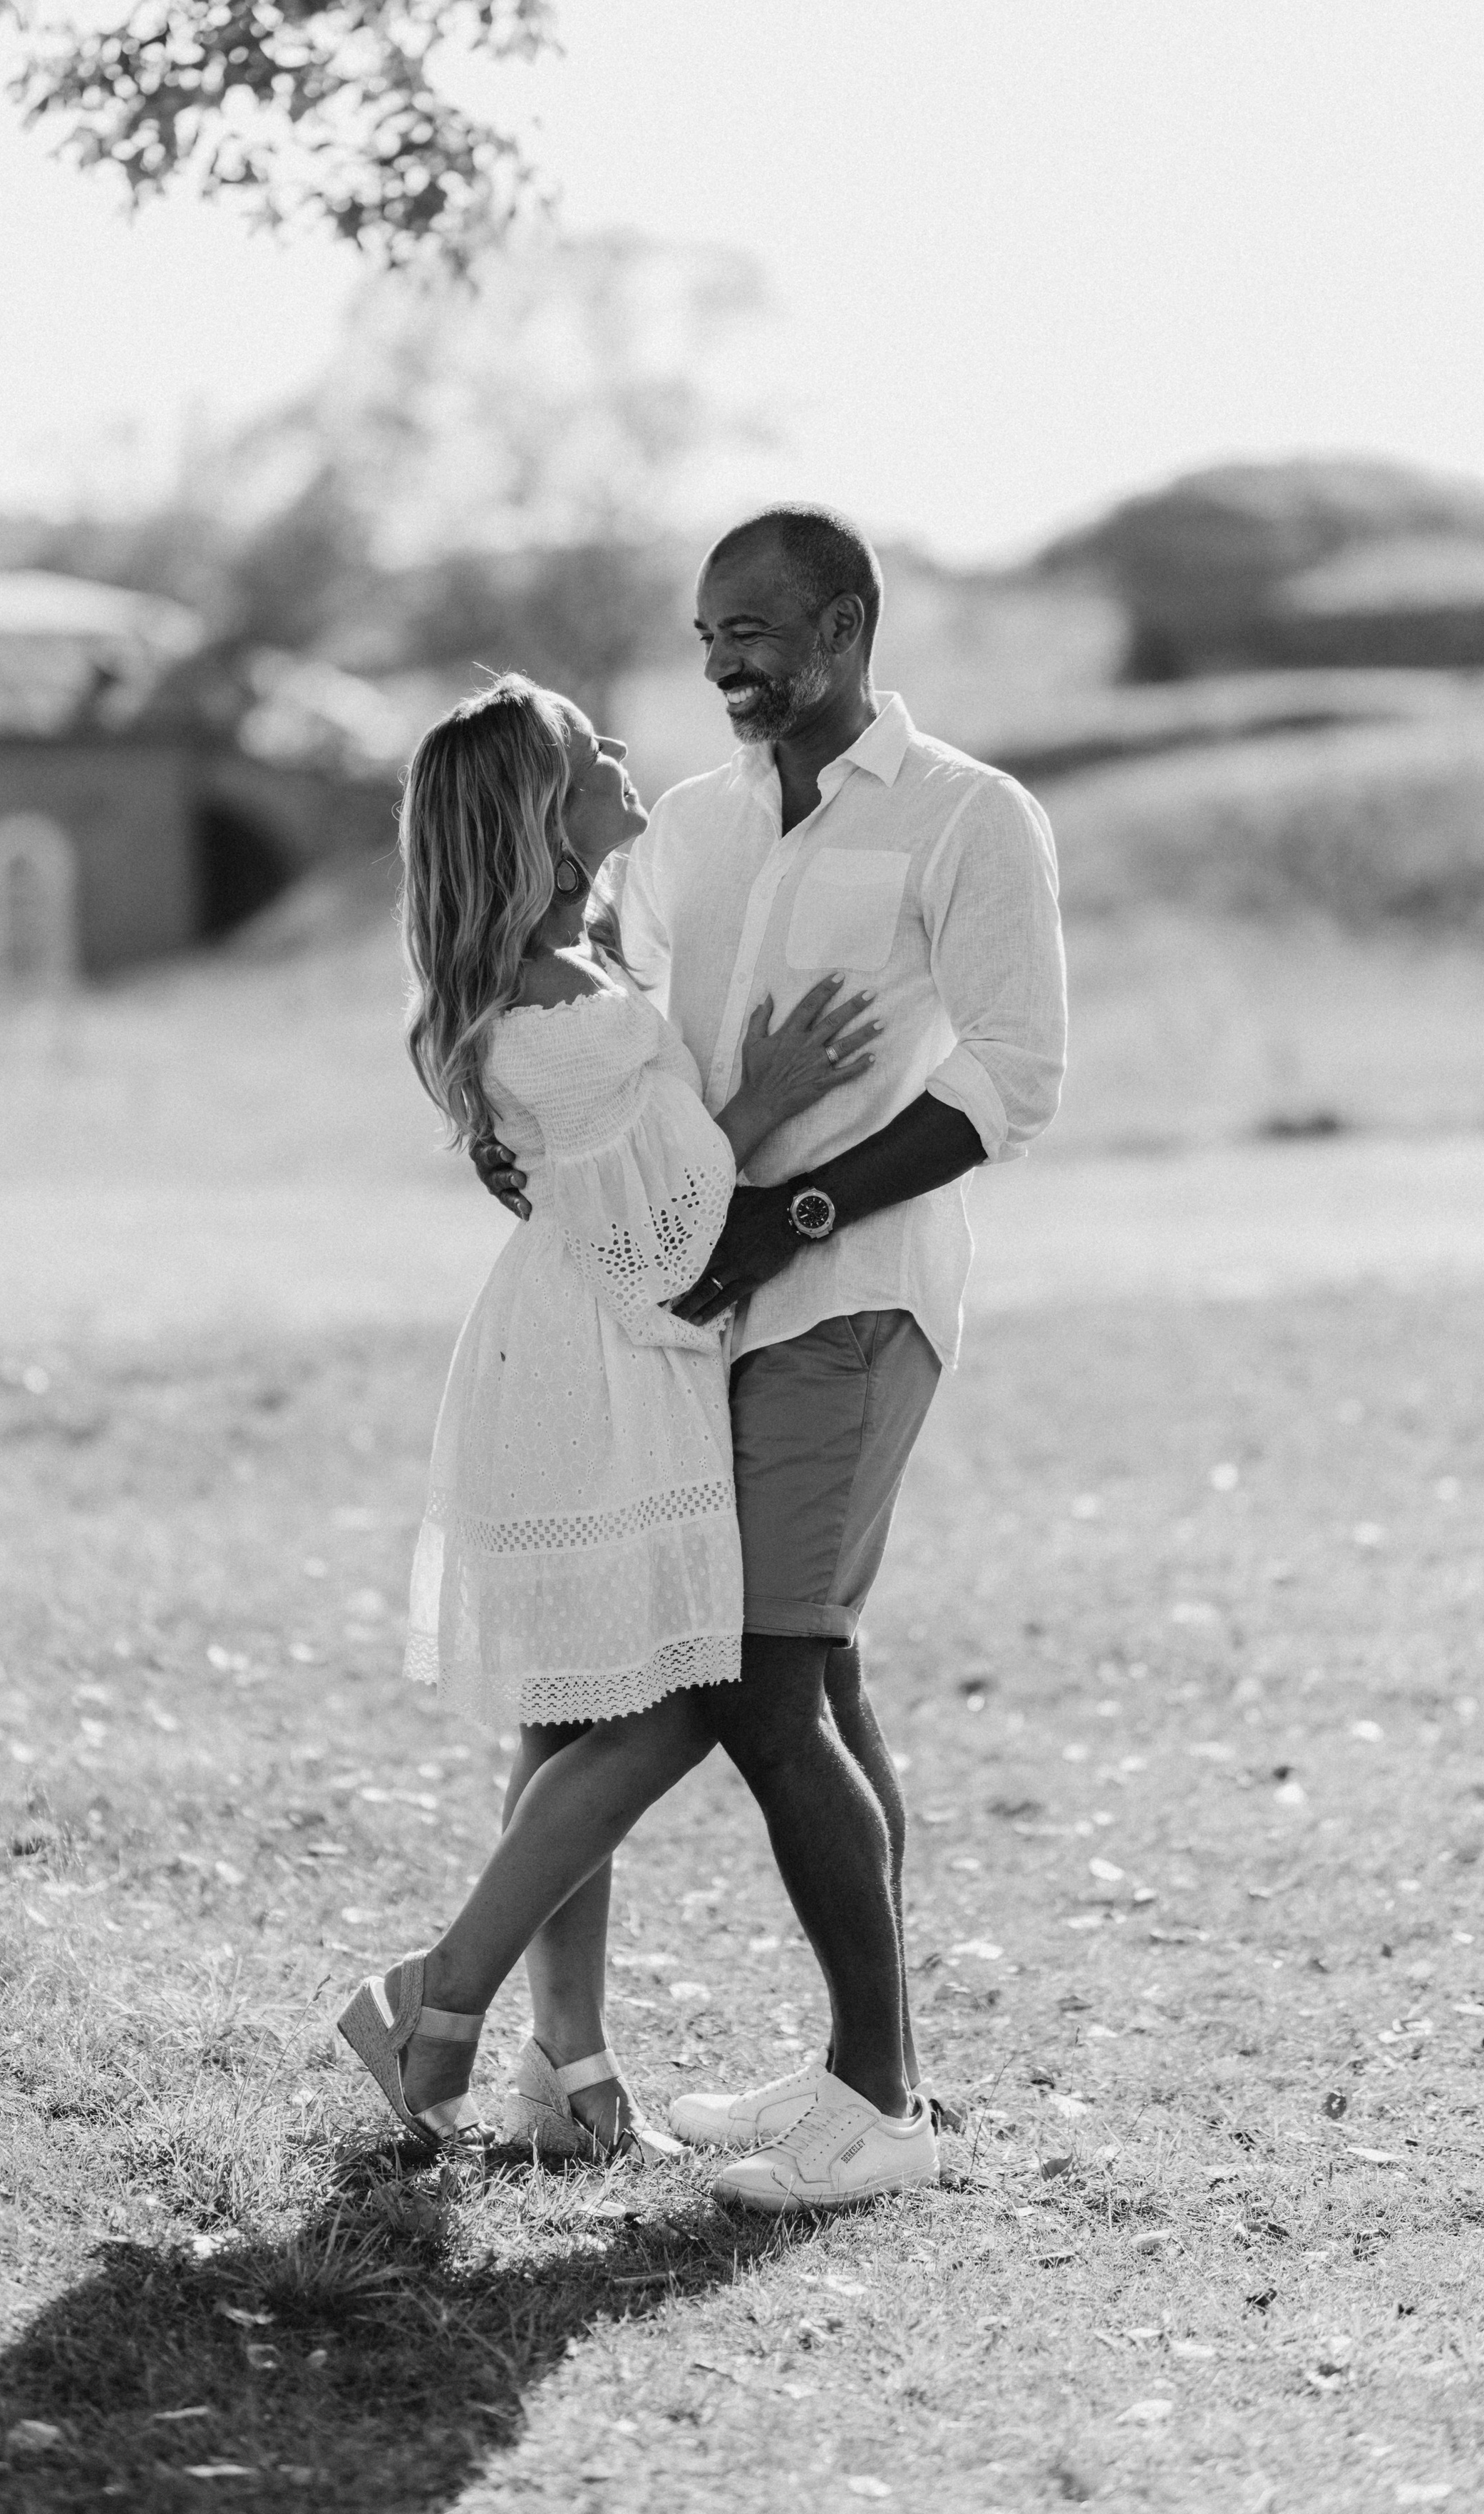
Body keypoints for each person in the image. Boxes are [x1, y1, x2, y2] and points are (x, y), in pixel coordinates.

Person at [473, 504, 1068, 2209]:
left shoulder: (967, 815)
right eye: (704, 635)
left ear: (845, 627)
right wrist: (523, 1133)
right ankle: (871, 2079)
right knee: (816, 1673)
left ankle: (873, 2103)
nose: (726, 660)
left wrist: (789, 1215)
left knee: (754, 1675)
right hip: (693, 1319)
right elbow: (622, 1052)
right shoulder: (691, 836)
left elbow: (1007, 1083)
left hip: (857, 1299)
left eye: (757, 629)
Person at [338, 675, 876, 2163]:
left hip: (567, 1356)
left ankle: (562, 2073)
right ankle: (434, 1996)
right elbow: (676, 1242)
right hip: (601, 1366)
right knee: (686, 1700)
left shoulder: (563, 973)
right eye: (590, 753)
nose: (624, 756)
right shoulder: (567, 1015)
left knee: (573, 1709)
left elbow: (634, 1200)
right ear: (537, 812)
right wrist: (759, 1099)